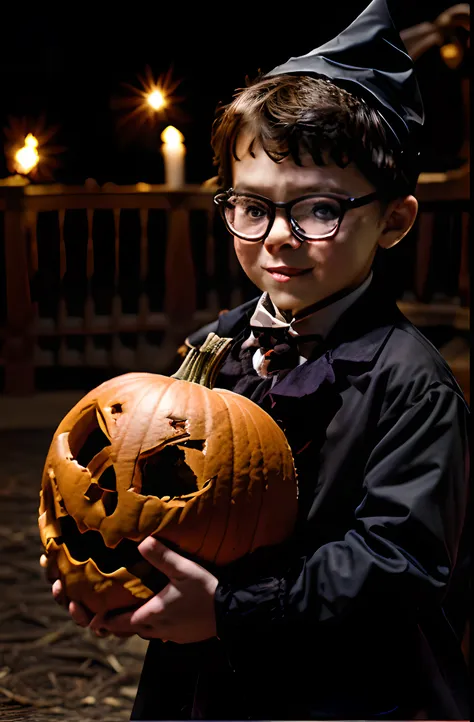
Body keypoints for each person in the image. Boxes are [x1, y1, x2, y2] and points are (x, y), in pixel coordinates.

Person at [46, 0, 470, 719]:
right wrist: (121, 582)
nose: (279, 237)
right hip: (205, 680)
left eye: (319, 210)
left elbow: (398, 563)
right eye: (252, 206)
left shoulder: (411, 383)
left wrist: (231, 609)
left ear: (393, 220)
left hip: (339, 688)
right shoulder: (214, 348)